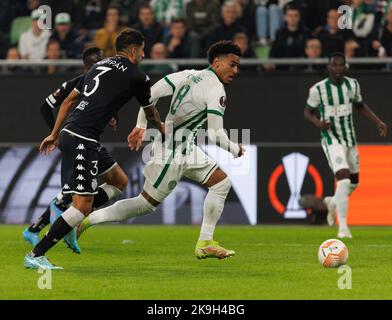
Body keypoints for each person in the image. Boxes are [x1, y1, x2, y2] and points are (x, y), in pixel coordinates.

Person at [76, 40, 245, 261]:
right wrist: (234, 148)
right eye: (232, 64)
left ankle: (205, 242)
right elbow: (214, 134)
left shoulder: (188, 74)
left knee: (221, 183)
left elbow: (151, 93)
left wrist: (141, 125)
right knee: (144, 204)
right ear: (216, 62)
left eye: (237, 66)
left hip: (186, 148)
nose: (235, 71)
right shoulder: (216, 89)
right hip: (173, 152)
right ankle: (86, 221)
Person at [24, 28, 164, 270]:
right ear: (133, 50)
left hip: (80, 135)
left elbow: (68, 101)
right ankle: (36, 255)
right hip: (81, 137)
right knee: (81, 206)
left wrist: (54, 133)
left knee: (118, 181)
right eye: (142, 49)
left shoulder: (98, 66)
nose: (144, 54)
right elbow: (150, 112)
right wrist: (162, 128)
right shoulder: (138, 77)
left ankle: (69, 224)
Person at [22, 47, 128, 254]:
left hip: (91, 141)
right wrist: (56, 135)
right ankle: (41, 241)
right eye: (99, 62)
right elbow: (47, 106)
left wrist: (112, 117)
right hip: (76, 139)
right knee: (75, 197)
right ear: (89, 66)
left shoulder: (102, 83)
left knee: (118, 181)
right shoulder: (80, 82)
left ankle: (45, 226)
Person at [302, 52, 388, 238]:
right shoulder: (318, 89)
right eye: (334, 64)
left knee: (354, 183)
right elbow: (307, 112)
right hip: (331, 139)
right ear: (329, 67)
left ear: (345, 67)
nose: (338, 68)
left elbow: (360, 105)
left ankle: (332, 202)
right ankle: (343, 228)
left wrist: (378, 121)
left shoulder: (352, 85)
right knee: (344, 179)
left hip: (350, 138)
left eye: (341, 65)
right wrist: (319, 123)